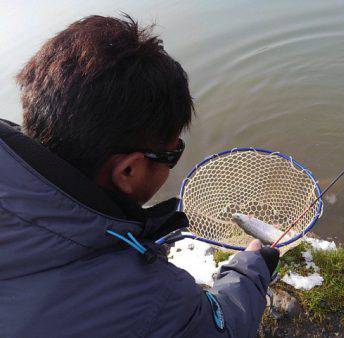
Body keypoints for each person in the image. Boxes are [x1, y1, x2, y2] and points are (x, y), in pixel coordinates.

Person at [0, 15, 279, 337]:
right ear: (128, 171)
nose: (173, 160)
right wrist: (252, 267)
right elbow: (222, 327)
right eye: (172, 154)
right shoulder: (154, 300)